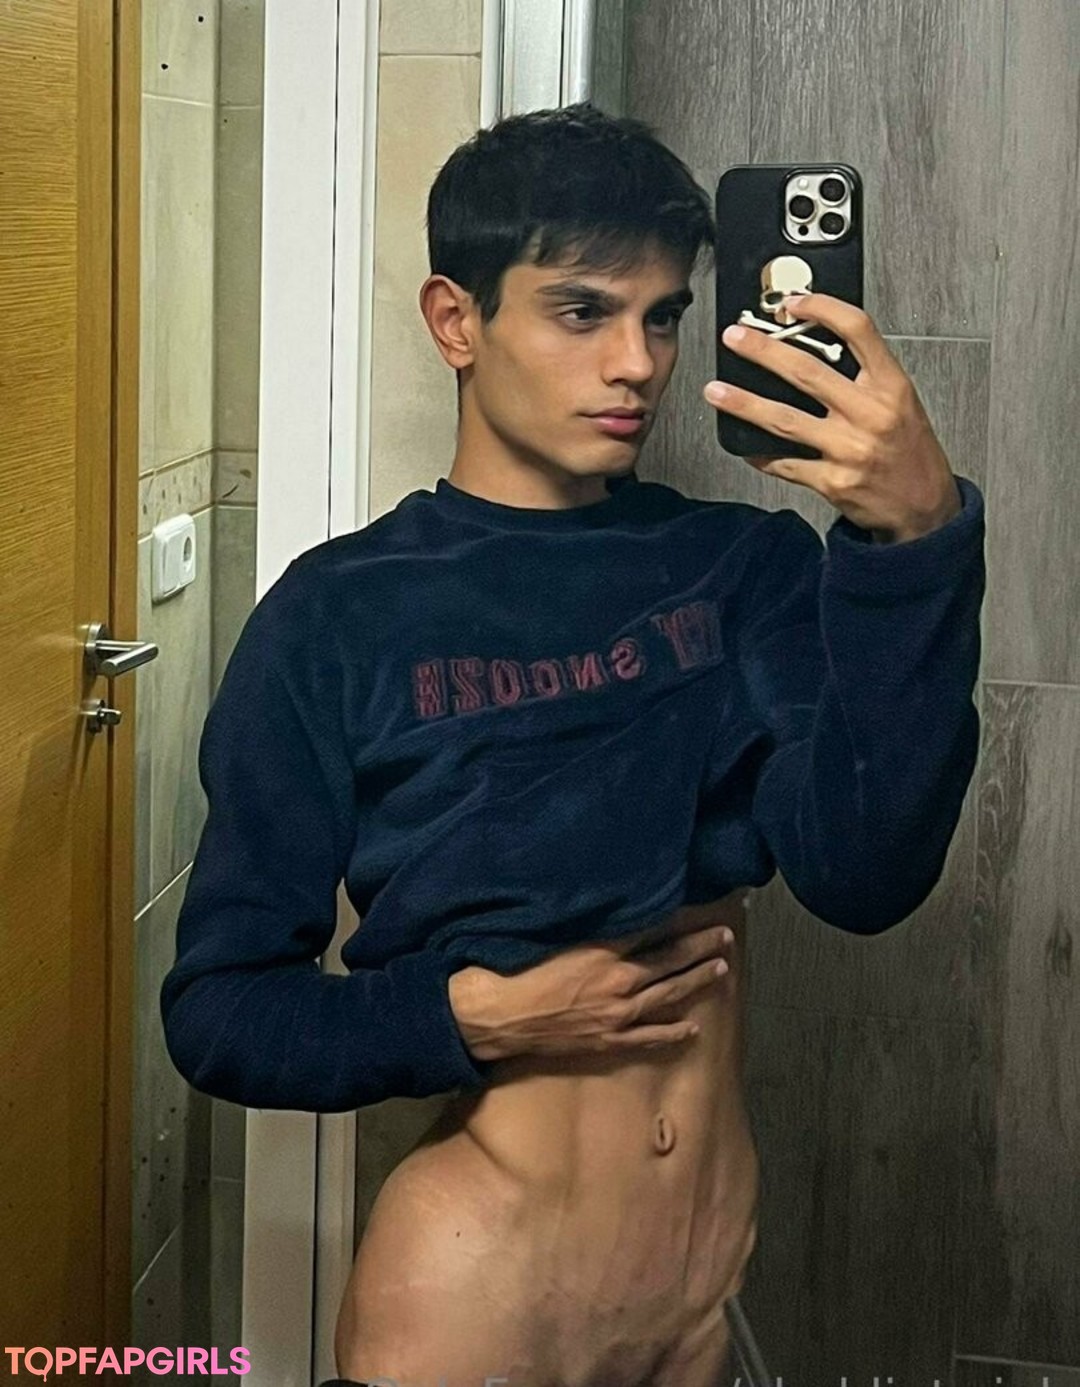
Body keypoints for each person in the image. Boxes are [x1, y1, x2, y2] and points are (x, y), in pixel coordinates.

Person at [161, 102, 986, 1387]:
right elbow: (221, 1011)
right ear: (456, 321)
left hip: (690, 1308)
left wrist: (915, 539)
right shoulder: (338, 617)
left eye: (663, 316)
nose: (637, 363)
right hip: (471, 1302)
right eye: (583, 311)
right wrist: (475, 1014)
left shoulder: (741, 568)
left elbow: (868, 872)